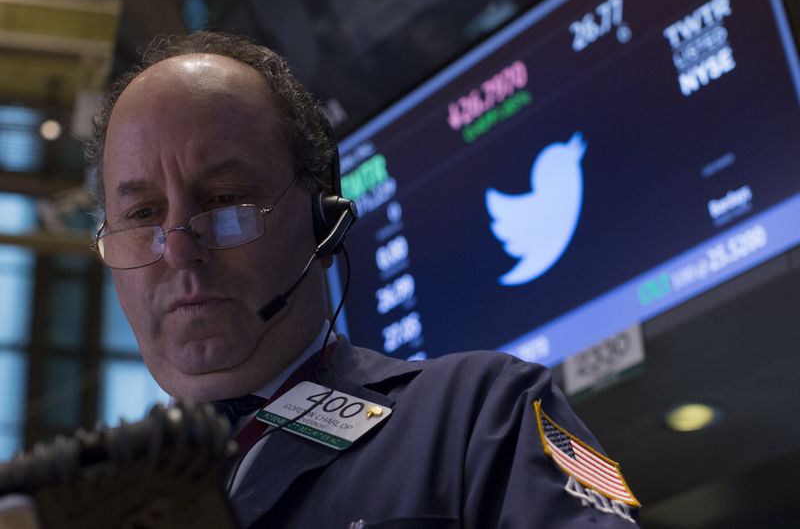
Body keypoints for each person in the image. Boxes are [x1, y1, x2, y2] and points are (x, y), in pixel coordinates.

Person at [86, 31, 641, 528]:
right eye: (142, 216)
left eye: (225, 202)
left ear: (323, 215)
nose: (180, 250)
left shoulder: (483, 417)